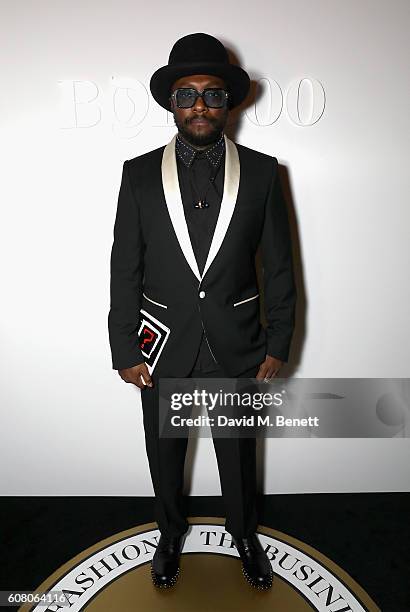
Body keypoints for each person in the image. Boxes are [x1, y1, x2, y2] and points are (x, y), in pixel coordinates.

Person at [108, 32, 297, 590]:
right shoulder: (137, 174)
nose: (198, 105)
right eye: (187, 93)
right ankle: (169, 534)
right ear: (171, 100)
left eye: (212, 94)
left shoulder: (263, 173)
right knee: (164, 453)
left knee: (238, 456)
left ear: (229, 103)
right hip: (161, 342)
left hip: (237, 343)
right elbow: (125, 269)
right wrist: (124, 348)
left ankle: (244, 535)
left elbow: (282, 268)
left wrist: (278, 341)